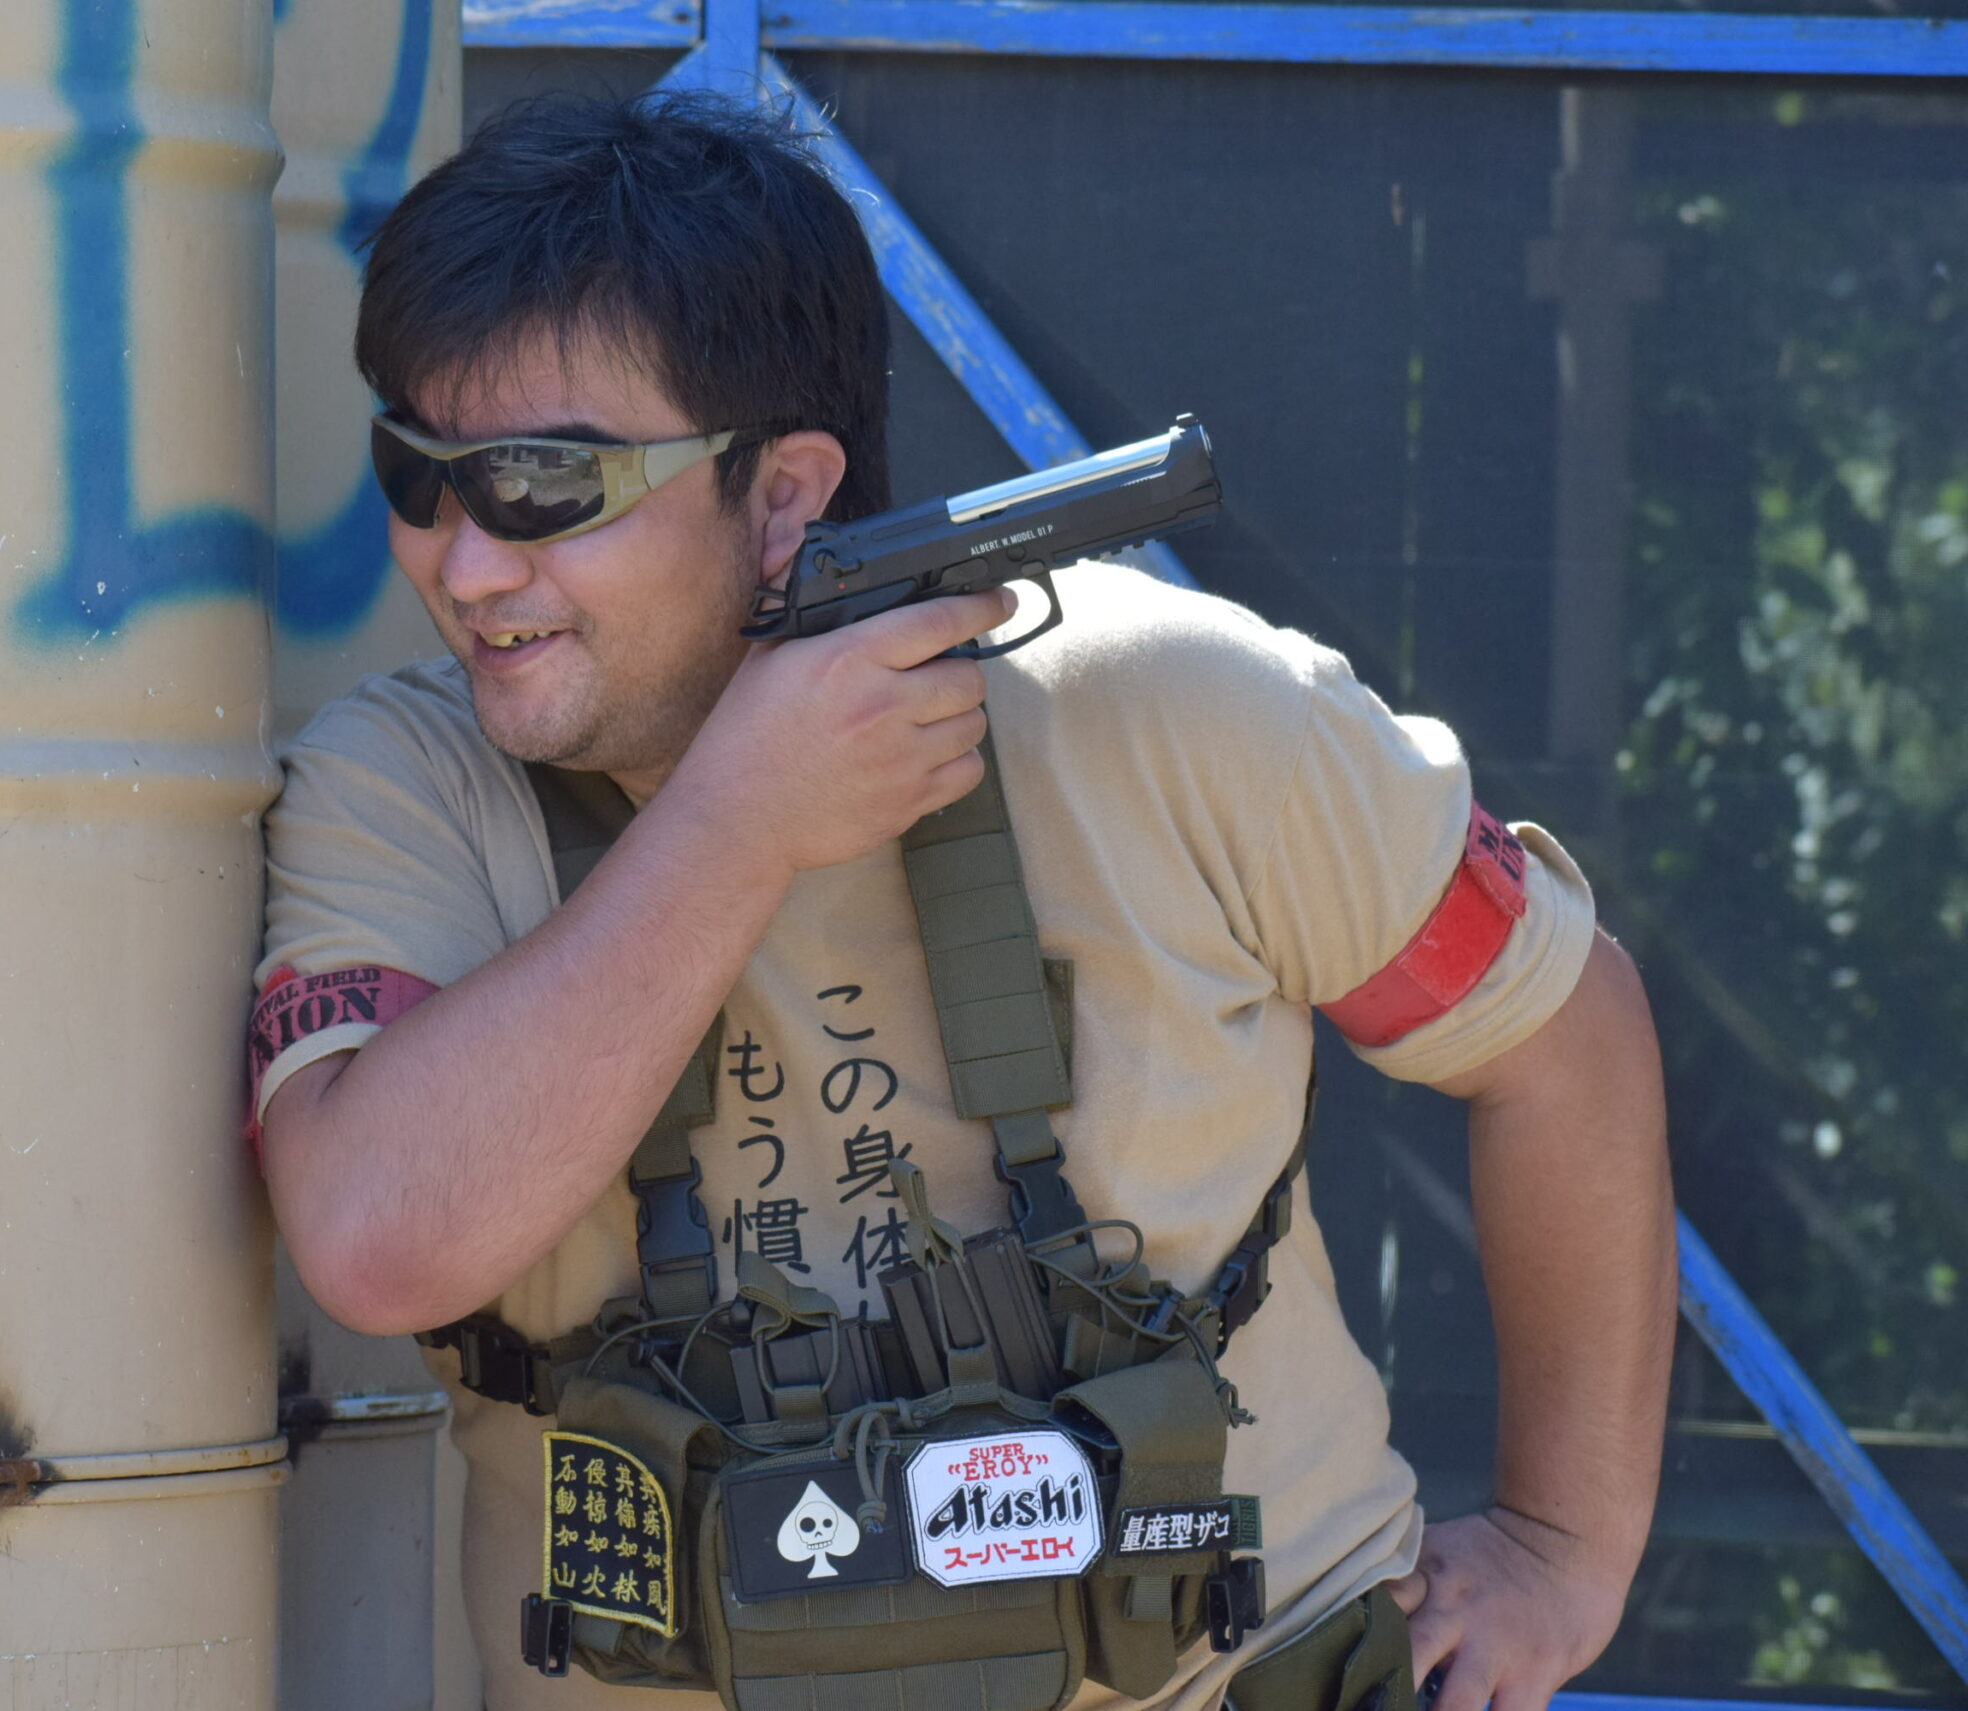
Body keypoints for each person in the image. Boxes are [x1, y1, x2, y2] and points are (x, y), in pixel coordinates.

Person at [254, 88, 1672, 1711]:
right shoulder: (402, 787)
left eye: (541, 485)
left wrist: (1564, 1546)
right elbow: (382, 1244)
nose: (463, 565)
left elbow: (1560, 1036)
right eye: (419, 473)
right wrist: (735, 824)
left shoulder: (1171, 705)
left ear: (785, 494)